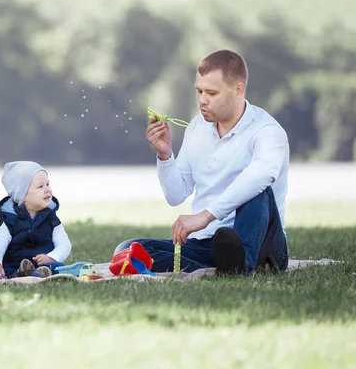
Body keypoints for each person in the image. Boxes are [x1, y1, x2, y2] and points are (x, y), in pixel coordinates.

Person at [114, 49, 289, 276]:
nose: (202, 100)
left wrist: (204, 216)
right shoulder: (197, 127)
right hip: (206, 241)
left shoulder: (267, 131)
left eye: (211, 93)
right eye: (199, 91)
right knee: (128, 250)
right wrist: (165, 155)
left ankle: (243, 265)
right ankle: (222, 269)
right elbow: (176, 195)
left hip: (262, 243)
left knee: (257, 187)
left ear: (238, 89)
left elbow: (261, 175)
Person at [0, 161, 72, 279]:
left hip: (44, 263)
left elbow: (64, 244)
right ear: (22, 196)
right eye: (40, 186)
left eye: (48, 184)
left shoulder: (51, 217)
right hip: (14, 263)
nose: (47, 190)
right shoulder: (10, 218)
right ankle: (19, 272)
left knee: (58, 266)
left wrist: (52, 257)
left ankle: (39, 272)